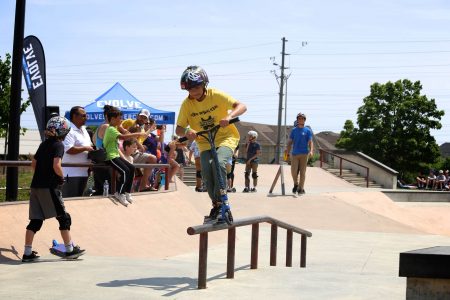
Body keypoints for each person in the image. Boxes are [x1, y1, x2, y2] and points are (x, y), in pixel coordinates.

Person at [175, 65, 247, 221]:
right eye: (190, 89)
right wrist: (187, 131)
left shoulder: (216, 95)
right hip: (205, 142)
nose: (194, 91)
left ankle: (223, 203)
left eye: (196, 87)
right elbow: (178, 129)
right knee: (206, 173)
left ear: (204, 83)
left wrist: (229, 117)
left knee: (219, 163)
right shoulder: (186, 104)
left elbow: (242, 106)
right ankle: (216, 205)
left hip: (226, 137)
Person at [22, 116, 85, 262]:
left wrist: (39, 176)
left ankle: (27, 252)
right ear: (62, 132)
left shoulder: (43, 144)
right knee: (63, 217)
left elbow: (33, 163)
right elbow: (57, 165)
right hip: (49, 187)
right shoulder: (58, 145)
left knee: (35, 221)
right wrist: (61, 178)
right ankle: (69, 249)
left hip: (36, 186)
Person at [103, 107, 151, 206]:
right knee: (125, 171)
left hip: (116, 155)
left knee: (132, 168)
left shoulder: (115, 128)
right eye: (119, 118)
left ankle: (127, 192)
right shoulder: (111, 129)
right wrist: (140, 133)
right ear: (112, 119)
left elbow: (125, 133)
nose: (121, 120)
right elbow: (123, 137)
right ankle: (119, 193)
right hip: (110, 157)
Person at [121, 108, 158, 192]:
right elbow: (119, 128)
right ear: (137, 116)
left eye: (144, 118)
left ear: (147, 120)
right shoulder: (130, 122)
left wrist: (150, 130)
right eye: (141, 116)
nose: (142, 119)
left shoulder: (142, 129)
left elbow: (142, 137)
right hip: (124, 151)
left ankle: (143, 185)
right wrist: (139, 144)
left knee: (153, 158)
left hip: (134, 153)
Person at [62, 106, 94, 198]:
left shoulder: (84, 129)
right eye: (83, 115)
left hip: (84, 172)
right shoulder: (69, 130)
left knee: (78, 202)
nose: (86, 117)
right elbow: (68, 149)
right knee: (70, 201)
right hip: (71, 173)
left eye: (86, 115)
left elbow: (89, 147)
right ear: (74, 117)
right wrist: (85, 148)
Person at [285, 112, 314, 195]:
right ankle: (296, 184)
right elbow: (290, 141)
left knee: (302, 172)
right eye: (299, 118)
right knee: (293, 171)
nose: (300, 120)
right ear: (297, 120)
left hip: (304, 154)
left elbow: (310, 142)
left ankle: (301, 188)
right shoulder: (294, 130)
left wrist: (311, 150)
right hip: (295, 154)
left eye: (302, 118)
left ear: (304, 120)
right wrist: (287, 150)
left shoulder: (307, 130)